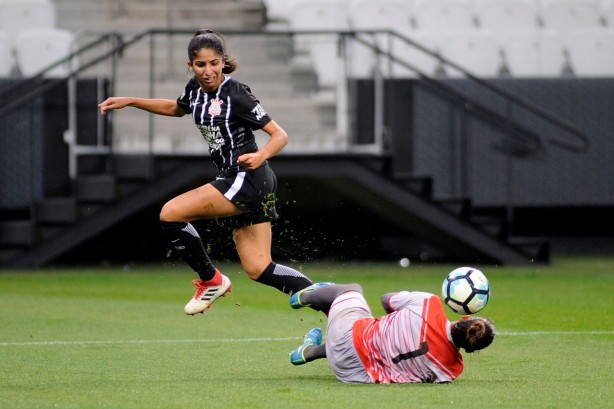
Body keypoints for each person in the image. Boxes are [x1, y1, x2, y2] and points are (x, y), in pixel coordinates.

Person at [98, 29, 315, 315]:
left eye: (214, 63)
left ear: (223, 61)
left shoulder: (237, 94)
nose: (208, 70)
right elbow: (177, 108)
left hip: (247, 178)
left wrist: (261, 154)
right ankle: (332, 300)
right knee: (259, 268)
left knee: (171, 213)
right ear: (191, 66)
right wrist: (131, 100)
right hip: (244, 180)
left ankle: (210, 280)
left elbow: (280, 135)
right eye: (201, 65)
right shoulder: (194, 90)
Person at [287, 282, 496, 384]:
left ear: (463, 317)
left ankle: (302, 297)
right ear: (469, 350)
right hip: (355, 376)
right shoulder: (452, 370)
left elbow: (386, 298)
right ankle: (308, 351)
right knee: (381, 346)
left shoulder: (429, 303)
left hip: (350, 338)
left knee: (351, 289)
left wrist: (393, 321)